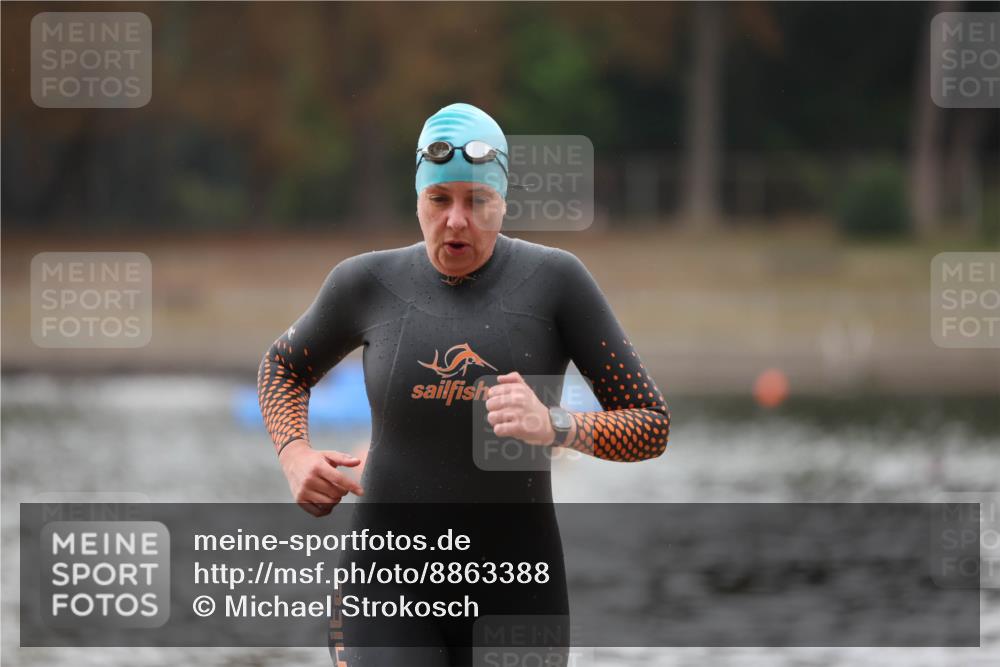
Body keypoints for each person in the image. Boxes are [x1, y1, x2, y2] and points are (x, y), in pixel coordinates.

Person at [257, 102, 670, 667]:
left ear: (502, 201)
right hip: (385, 589)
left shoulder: (556, 283)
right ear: (418, 199)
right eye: (440, 199)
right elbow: (283, 368)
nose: (457, 220)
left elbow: (651, 425)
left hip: (518, 593)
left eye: (477, 201)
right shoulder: (365, 283)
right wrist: (294, 454)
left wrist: (557, 426)